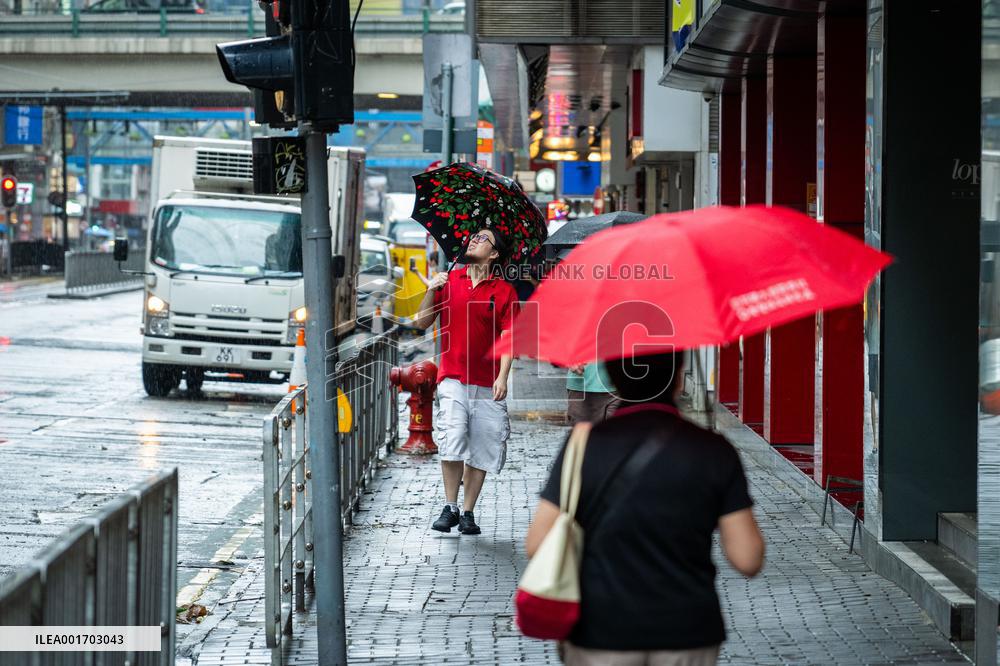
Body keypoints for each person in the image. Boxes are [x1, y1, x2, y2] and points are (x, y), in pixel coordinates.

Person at [525, 352, 765, 665]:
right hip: (687, 631)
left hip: (601, 630)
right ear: (679, 379)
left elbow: (537, 544)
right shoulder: (713, 449)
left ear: (612, 378)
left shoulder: (583, 445)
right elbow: (747, 558)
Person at [411, 226, 518, 535]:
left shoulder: (504, 291)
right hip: (453, 376)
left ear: (494, 253)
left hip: (488, 381)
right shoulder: (450, 281)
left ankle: (468, 511)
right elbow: (420, 323)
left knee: (483, 444)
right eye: (473, 236)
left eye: (483, 238)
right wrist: (432, 288)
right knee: (454, 434)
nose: (474, 239)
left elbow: (510, 337)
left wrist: (503, 377)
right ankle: (450, 506)